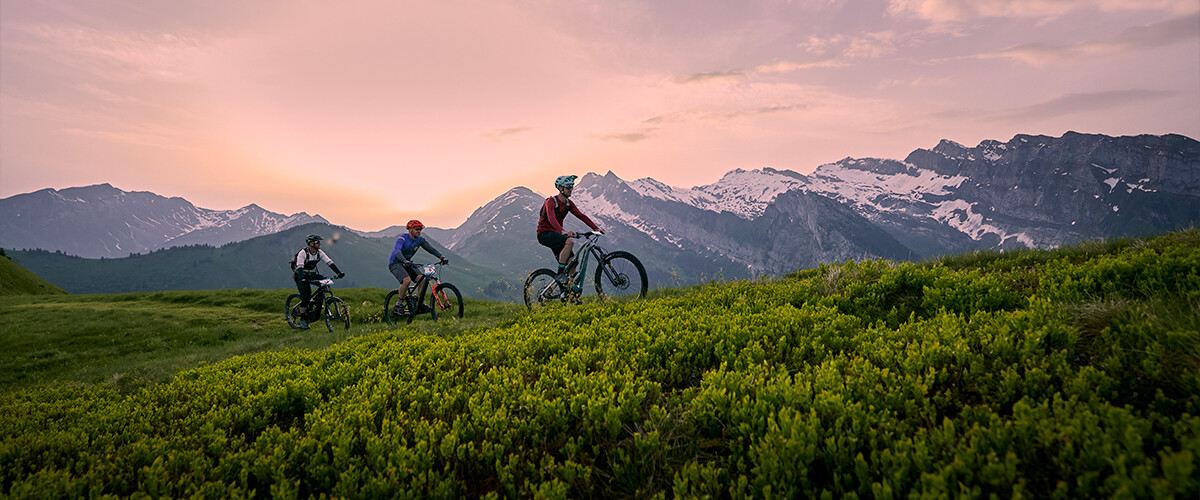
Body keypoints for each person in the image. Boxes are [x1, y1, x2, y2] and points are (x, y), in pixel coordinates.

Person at [536, 175, 604, 284]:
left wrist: (596, 228)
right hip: (545, 234)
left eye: (572, 186)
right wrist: (563, 231)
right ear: (560, 188)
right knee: (569, 241)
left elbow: (581, 216)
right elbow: (551, 218)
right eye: (568, 187)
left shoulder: (568, 203)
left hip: (556, 234)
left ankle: (569, 293)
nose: (571, 189)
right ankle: (560, 273)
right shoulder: (551, 202)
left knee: (573, 262)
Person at [388, 220, 448, 313]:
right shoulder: (402, 238)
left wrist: (441, 257)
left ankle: (421, 304)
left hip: (408, 263)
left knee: (422, 280)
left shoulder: (420, 240)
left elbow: (431, 249)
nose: (419, 231)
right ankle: (398, 304)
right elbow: (397, 251)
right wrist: (404, 260)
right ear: (410, 230)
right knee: (406, 280)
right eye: (416, 229)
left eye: (420, 230)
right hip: (395, 263)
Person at [293, 233, 344, 330]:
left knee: (325, 283)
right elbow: (299, 267)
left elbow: (329, 262)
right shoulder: (303, 253)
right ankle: (303, 319)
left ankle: (317, 302)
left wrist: (339, 273)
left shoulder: (319, 252)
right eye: (317, 242)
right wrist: (302, 279)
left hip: (312, 274)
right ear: (311, 243)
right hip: (301, 275)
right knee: (306, 297)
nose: (319, 244)